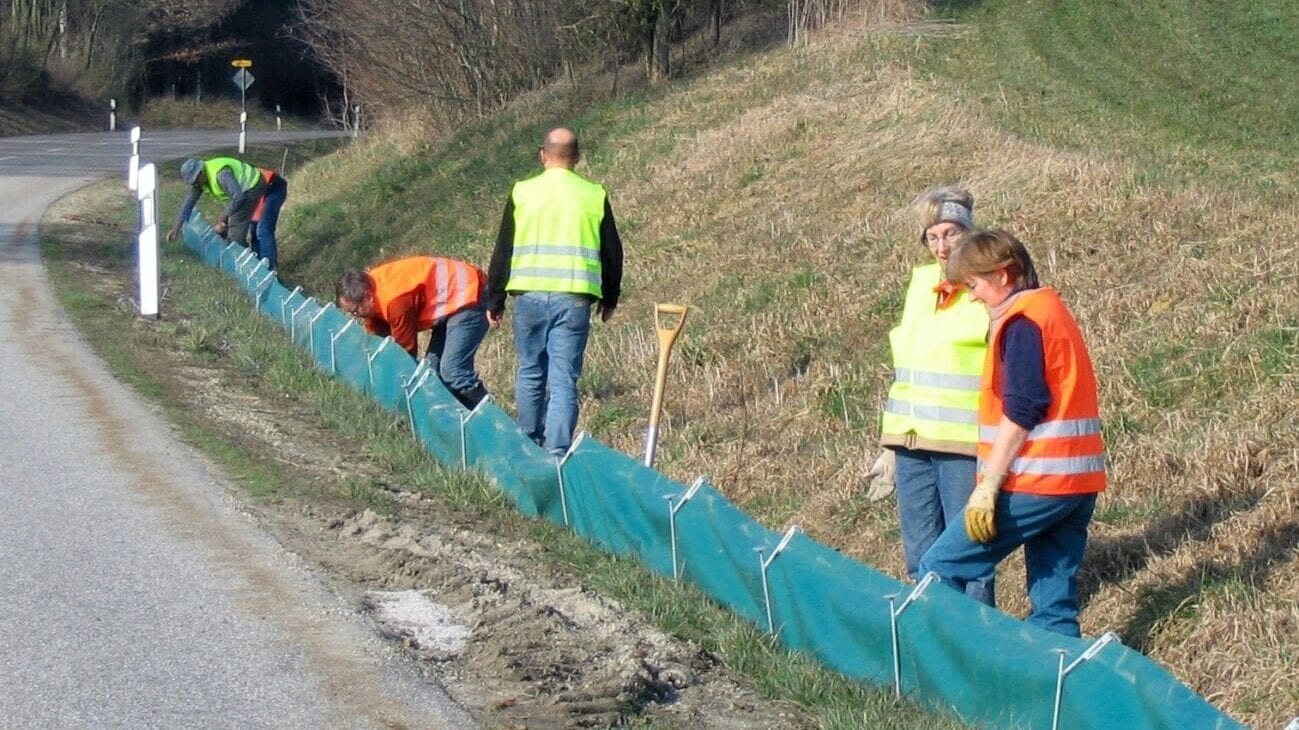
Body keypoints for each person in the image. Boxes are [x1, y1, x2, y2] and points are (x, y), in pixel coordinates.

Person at [918, 229, 1106, 637]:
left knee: (939, 567)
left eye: (975, 285)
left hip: (1036, 482)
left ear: (1003, 275)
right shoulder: (1051, 310)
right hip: (1077, 484)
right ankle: (1057, 686)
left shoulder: (1021, 323)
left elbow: (1023, 409)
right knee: (1054, 608)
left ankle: (959, 666)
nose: (972, 296)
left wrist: (989, 485)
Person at [866, 187, 994, 606]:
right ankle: (932, 641)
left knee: (968, 554)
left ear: (969, 234)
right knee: (920, 557)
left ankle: (976, 643)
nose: (941, 245)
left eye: (951, 233)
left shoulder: (988, 289)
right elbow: (909, 365)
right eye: (933, 236)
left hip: (963, 444)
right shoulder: (920, 285)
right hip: (911, 442)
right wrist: (890, 444)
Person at [485, 126, 623, 456]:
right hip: (574, 298)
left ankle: (526, 441)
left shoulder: (522, 192)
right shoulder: (593, 195)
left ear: (543, 154)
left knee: (531, 369)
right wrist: (610, 297)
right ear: (577, 157)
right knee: (563, 379)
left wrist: (495, 297)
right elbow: (612, 252)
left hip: (528, 296)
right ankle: (557, 451)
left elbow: (503, 247)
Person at [337, 256, 490, 409]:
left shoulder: (395, 302)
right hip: (452, 301)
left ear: (367, 297)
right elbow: (377, 341)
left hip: (470, 294)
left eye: (355, 311)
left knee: (453, 371)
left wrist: (392, 389)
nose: (356, 316)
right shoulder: (371, 289)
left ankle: (493, 421)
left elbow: (404, 353)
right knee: (432, 373)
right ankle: (460, 421)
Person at [167, 157, 287, 272]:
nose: (195, 184)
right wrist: (176, 228)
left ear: (200, 172)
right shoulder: (201, 181)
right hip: (244, 192)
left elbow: (238, 198)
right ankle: (252, 260)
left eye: (195, 180)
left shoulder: (220, 174)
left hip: (255, 187)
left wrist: (225, 215)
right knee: (245, 225)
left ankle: (257, 267)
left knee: (242, 229)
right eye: (192, 182)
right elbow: (189, 203)